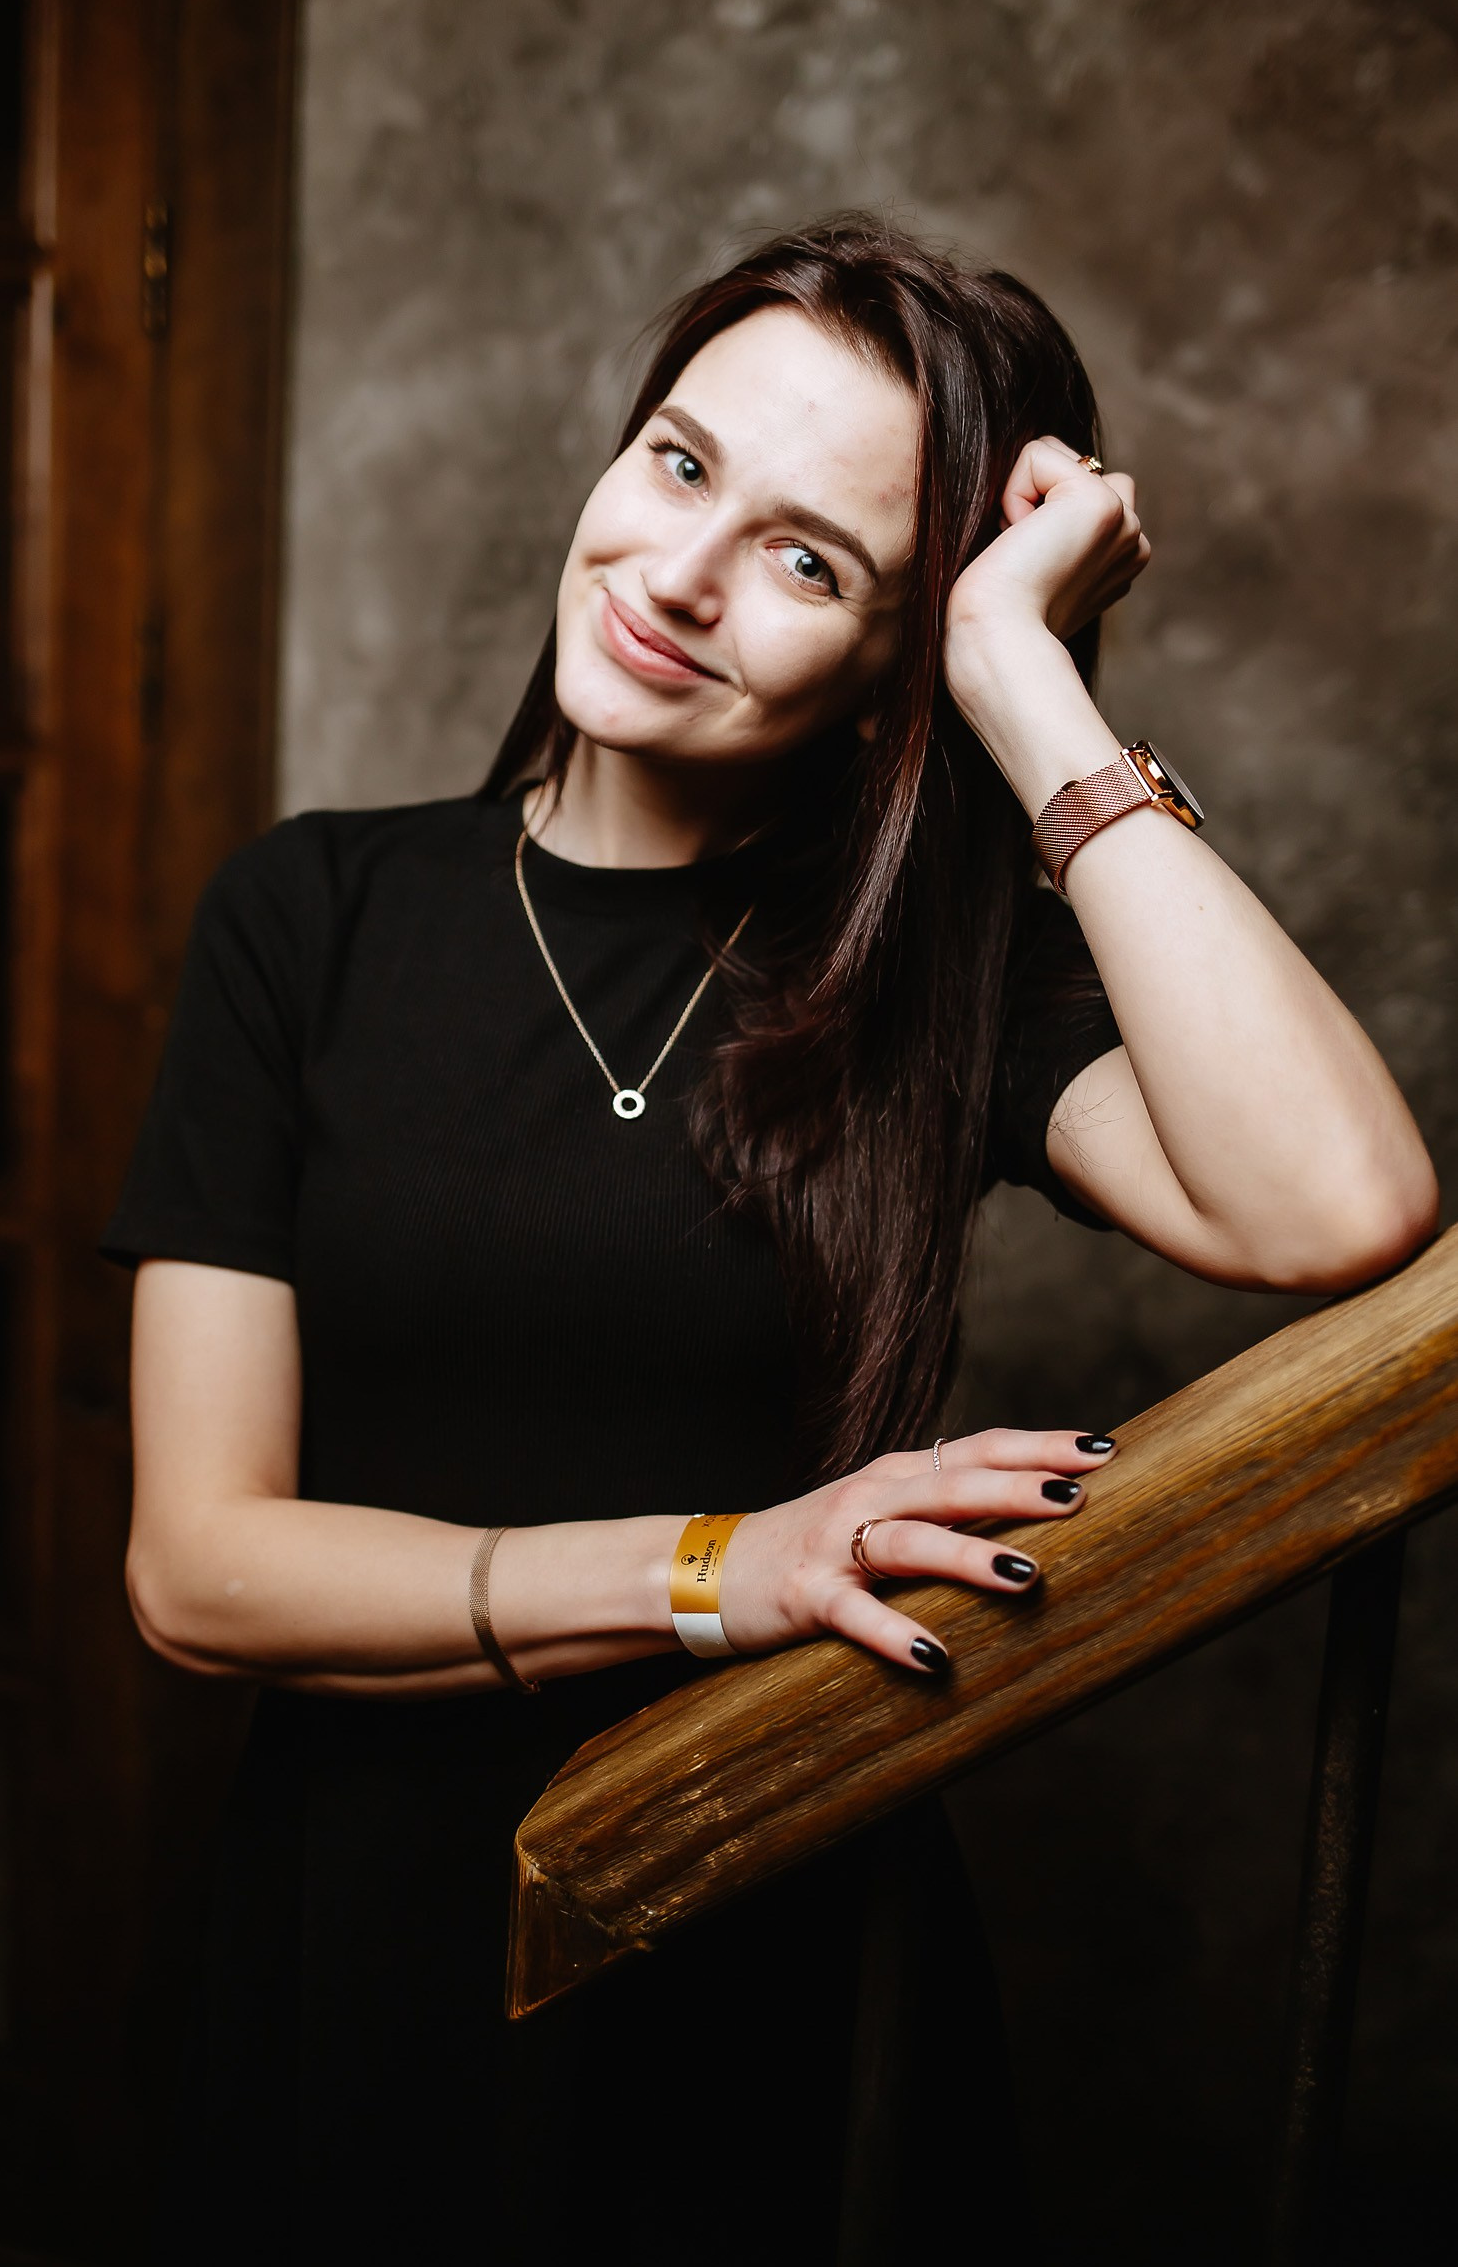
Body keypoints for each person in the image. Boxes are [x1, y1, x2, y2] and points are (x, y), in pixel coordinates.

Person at [104, 217, 1436, 2262]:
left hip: (774, 1925)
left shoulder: (933, 983)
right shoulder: (309, 917)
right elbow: (199, 1566)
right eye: (678, 461)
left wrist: (1027, 688)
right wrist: (725, 1566)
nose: (678, 576)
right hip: (364, 1944)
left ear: (901, 661)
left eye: (812, 562)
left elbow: (1340, 1207)